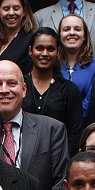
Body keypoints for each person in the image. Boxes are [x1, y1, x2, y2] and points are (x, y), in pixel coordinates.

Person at [0, 60, 70, 190]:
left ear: (24, 90)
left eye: (11, 83)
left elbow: (60, 184)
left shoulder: (52, 130)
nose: (4, 90)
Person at [23, 27, 84, 155]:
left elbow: (75, 134)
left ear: (58, 52)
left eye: (50, 49)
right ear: (30, 50)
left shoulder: (69, 90)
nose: (45, 53)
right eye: (39, 48)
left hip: (59, 159)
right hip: (21, 157)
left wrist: (61, 160)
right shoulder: (18, 85)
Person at [57, 14, 95, 120]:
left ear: (85, 36)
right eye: (66, 29)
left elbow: (91, 100)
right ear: (59, 36)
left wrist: (72, 120)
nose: (72, 33)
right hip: (55, 125)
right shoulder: (52, 65)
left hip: (85, 124)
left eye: (77, 29)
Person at [0, 0, 37, 75]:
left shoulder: (32, 42)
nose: (11, 13)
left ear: (24, 11)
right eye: (6, 9)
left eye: (16, 8)